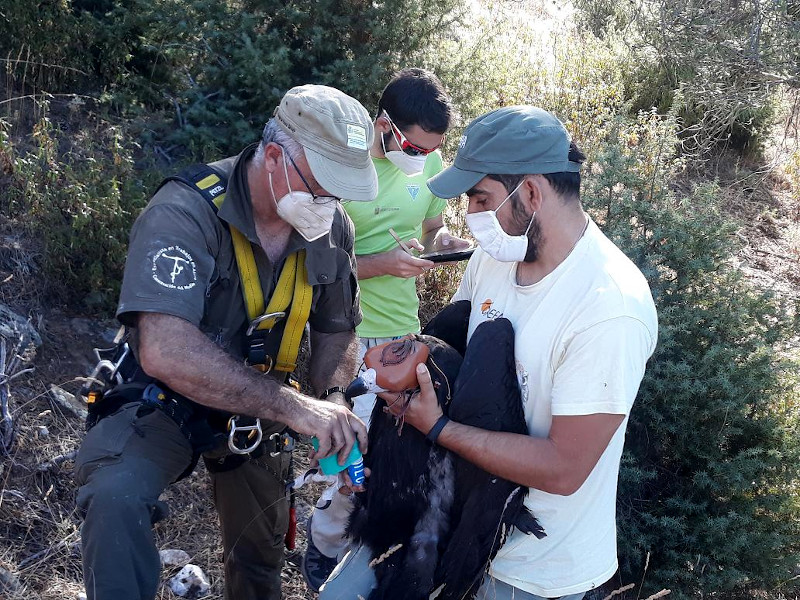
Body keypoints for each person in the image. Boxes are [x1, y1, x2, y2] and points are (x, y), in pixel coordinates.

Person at [319, 106, 658, 600]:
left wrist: (438, 429)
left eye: (481, 198)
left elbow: (564, 468)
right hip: (438, 514)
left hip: (532, 569)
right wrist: (397, 408)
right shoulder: (497, 257)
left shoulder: (608, 308)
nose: (471, 215)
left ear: (533, 193)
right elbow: (453, 354)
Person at [74, 84, 379, 600]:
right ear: (276, 157)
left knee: (259, 561)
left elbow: (337, 327)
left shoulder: (330, 227)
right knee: (115, 494)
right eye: (325, 186)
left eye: (343, 190)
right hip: (162, 399)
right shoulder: (183, 211)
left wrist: (330, 398)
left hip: (260, 413)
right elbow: (166, 350)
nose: (333, 203)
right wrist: (296, 407)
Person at [301, 68, 471, 591]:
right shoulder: (340, 168)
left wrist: (441, 240)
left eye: (430, 151)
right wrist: (379, 264)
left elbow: (428, 224)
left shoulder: (430, 160)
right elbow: (310, 267)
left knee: (387, 457)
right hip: (343, 335)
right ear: (384, 127)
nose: (422, 160)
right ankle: (325, 546)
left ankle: (357, 548)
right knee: (346, 453)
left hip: (403, 333)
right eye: (414, 148)